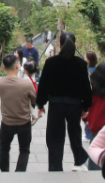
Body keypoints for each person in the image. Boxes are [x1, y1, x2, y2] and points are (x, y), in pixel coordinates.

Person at [37, 32, 92, 171]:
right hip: (74, 105)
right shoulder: (81, 63)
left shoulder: (51, 62)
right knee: (75, 133)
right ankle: (79, 159)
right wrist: (85, 107)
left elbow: (43, 85)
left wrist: (40, 104)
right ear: (75, 44)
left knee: (54, 136)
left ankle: (55, 167)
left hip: (56, 105)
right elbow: (86, 87)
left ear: (60, 44)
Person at [0, 53, 37, 172]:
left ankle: (4, 172)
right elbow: (34, 99)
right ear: (17, 66)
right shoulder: (26, 84)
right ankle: (19, 173)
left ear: (3, 67)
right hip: (24, 122)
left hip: (7, 123)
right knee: (24, 149)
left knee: (4, 148)